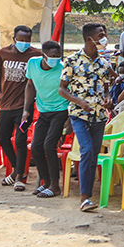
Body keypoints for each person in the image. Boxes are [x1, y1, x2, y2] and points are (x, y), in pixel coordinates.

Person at [59, 23, 113, 211]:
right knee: (87, 150)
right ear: (90, 38)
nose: (104, 37)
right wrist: (79, 102)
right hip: (78, 115)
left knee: (93, 155)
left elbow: (107, 90)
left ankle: (87, 196)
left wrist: (108, 99)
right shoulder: (72, 60)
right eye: (101, 35)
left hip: (99, 115)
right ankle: (84, 198)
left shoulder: (104, 63)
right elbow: (62, 89)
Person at [0, 25, 42, 185]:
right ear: (14, 39)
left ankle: (19, 177)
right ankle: (17, 169)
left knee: (20, 140)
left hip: (24, 107)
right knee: (3, 138)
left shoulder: (36, 55)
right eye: (21, 40)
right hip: (6, 104)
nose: (24, 43)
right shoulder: (3, 52)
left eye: (27, 40)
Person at [23, 41, 67, 197]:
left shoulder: (63, 68)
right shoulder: (33, 63)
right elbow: (29, 85)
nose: (55, 59)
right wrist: (26, 109)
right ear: (44, 55)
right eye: (52, 56)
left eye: (58, 56)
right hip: (43, 110)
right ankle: (46, 182)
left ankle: (55, 185)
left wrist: (69, 118)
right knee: (36, 147)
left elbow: (70, 90)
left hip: (61, 111)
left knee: (49, 146)